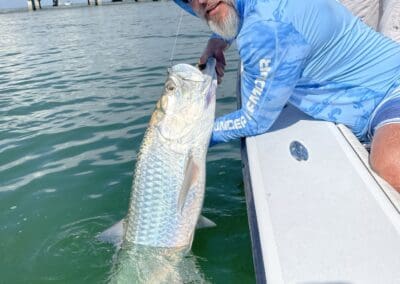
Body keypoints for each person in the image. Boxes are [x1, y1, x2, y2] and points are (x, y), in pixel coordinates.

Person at [173, 0, 400, 192]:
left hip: (390, 92)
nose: (200, 1)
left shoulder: (264, 29)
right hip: (375, 96)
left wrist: (188, 138)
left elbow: (254, 120)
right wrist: (219, 38)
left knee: (391, 165)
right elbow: (241, 12)